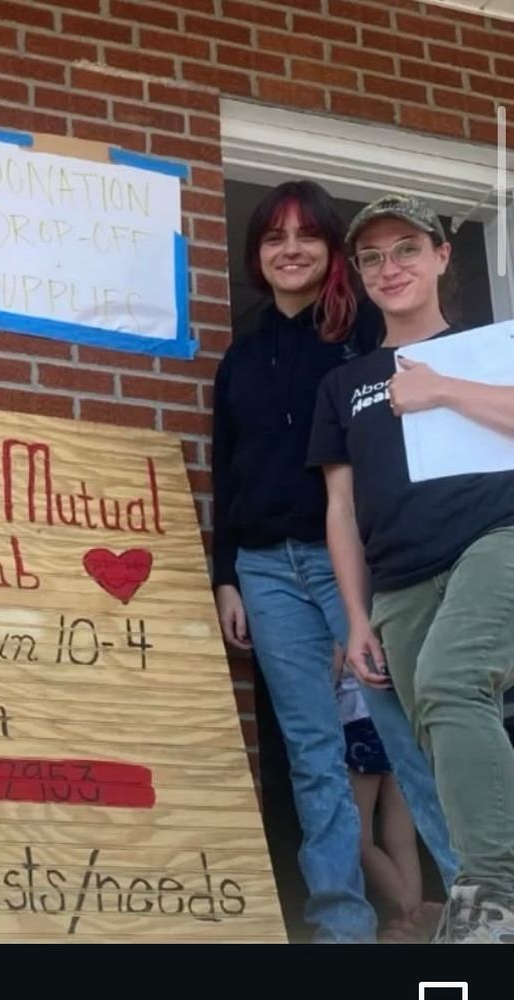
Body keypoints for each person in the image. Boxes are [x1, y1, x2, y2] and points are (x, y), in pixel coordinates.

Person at [212, 181, 455, 944]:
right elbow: (225, 468)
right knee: (312, 750)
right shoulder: (240, 355)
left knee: (408, 731)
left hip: (348, 562)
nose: (289, 249)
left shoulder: (359, 344)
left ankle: (482, 900)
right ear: (257, 254)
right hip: (263, 568)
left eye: (305, 236)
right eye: (272, 237)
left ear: (329, 251)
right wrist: (226, 575)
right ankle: (339, 923)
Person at [309, 193, 514, 943]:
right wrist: (355, 616)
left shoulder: (492, 347)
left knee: (452, 679)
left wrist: (440, 389)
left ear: (439, 256)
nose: (388, 267)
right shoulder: (343, 384)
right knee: (433, 735)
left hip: (496, 539)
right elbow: (339, 508)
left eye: (405, 249)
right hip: (396, 578)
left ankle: (490, 896)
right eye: (371, 257)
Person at [335, 661, 426, 934]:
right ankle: (415, 919)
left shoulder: (341, 624)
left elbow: (333, 668)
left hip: (356, 720)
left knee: (360, 839)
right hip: (399, 717)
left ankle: (411, 916)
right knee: (403, 840)